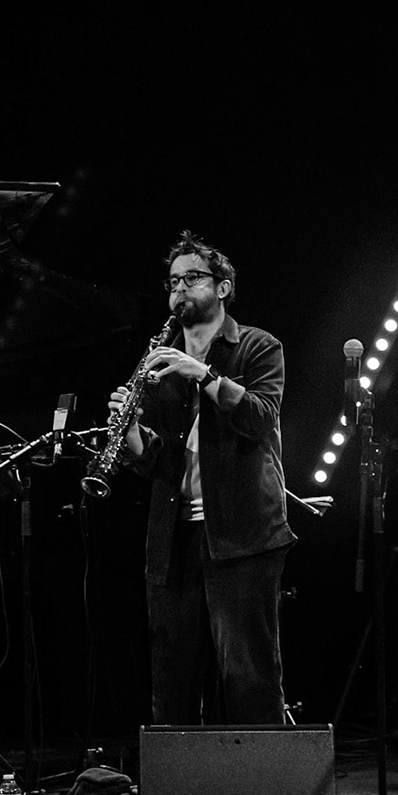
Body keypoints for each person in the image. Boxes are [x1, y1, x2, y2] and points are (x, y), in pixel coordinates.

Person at [108, 232, 294, 724]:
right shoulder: (156, 361)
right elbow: (156, 460)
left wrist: (202, 374)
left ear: (224, 287)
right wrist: (128, 434)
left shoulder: (258, 345)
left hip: (243, 533)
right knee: (172, 675)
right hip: (174, 536)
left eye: (192, 278)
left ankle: (261, 789)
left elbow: (258, 418)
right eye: (173, 282)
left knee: (248, 674)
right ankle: (180, 792)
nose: (179, 291)